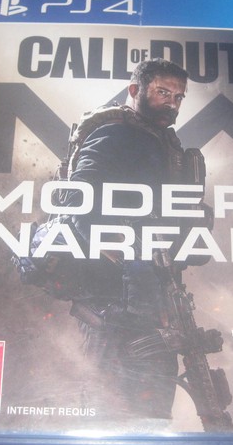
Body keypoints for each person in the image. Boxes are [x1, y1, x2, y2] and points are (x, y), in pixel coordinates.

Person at [60, 58, 199, 421]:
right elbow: (76, 198)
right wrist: (119, 256)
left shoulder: (162, 142)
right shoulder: (115, 133)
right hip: (112, 296)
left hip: (153, 291)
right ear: (135, 90)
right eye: (163, 92)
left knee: (154, 402)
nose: (172, 103)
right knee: (110, 402)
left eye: (178, 97)